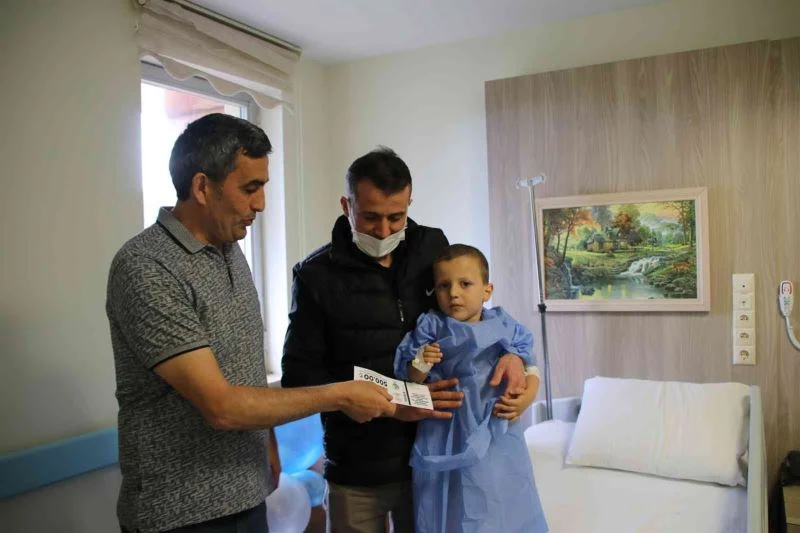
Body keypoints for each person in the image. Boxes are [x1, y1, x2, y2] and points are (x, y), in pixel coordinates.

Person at [106, 114, 400, 533]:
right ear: (202, 188)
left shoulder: (229, 251)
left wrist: (270, 441)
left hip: (248, 495)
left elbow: (242, 366)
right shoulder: (147, 267)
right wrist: (341, 394)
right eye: (250, 188)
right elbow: (221, 406)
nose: (261, 204)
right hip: (181, 513)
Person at [281, 147, 528, 532]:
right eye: (370, 217)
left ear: (409, 204)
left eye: (396, 217)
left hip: (435, 457)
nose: (384, 231)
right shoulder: (315, 276)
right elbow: (301, 377)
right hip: (359, 468)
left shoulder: (433, 247)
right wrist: (391, 404)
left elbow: (470, 320)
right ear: (347, 205)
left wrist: (515, 356)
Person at [394, 244, 548, 533]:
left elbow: (530, 366)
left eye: (465, 284)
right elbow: (409, 378)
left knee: (498, 498)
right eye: (443, 286)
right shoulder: (431, 327)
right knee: (445, 503)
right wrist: (421, 362)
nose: (453, 293)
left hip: (494, 430)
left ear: (487, 290)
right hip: (443, 432)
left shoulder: (503, 325)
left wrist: (527, 397)